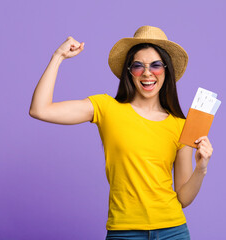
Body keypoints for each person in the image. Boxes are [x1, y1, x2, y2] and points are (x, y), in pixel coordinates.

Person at [29, 26, 213, 240]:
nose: (147, 73)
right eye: (138, 66)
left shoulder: (180, 125)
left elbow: (183, 198)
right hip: (124, 232)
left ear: (166, 70)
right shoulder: (106, 108)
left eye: (156, 65)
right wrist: (58, 57)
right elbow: (39, 110)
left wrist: (201, 168)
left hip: (173, 231)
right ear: (128, 71)